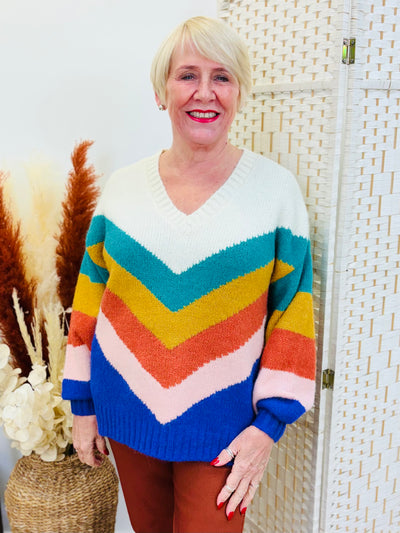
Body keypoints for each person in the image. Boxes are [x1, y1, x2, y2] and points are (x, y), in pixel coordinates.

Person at [62, 15, 316, 533]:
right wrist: (82, 403)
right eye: (187, 75)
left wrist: (269, 427)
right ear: (162, 92)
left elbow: (292, 311)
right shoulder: (122, 189)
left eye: (222, 77)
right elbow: (90, 298)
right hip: (126, 413)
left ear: (239, 92)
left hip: (226, 430)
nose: (205, 92)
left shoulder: (275, 193)